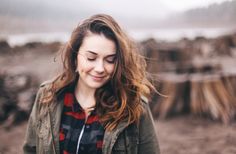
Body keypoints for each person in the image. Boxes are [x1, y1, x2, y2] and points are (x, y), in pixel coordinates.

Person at [23, 14, 160, 154]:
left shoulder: (135, 106)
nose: (100, 68)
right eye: (91, 58)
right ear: (75, 57)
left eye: (110, 60)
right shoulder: (48, 96)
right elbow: (31, 149)